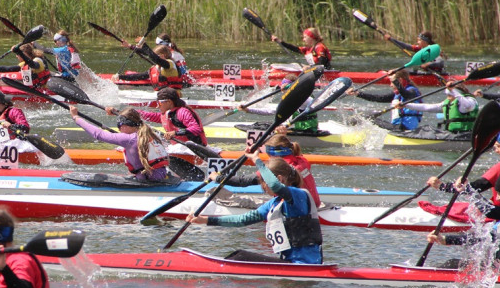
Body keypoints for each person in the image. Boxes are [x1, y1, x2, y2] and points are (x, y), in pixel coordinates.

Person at [187, 158, 323, 264]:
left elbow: (275, 185)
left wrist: (257, 160)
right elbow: (242, 220)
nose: (261, 186)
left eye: (263, 181)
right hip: (289, 262)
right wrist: (206, 220)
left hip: (306, 263)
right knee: (238, 256)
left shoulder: (299, 195)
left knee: (239, 257)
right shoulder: (273, 204)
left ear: (280, 179)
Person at [428, 126, 500, 205]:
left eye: (498, 146)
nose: (496, 150)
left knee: (459, 209)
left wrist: (441, 186)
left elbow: (474, 187)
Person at [69, 105, 168, 181]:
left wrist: (76, 117)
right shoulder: (150, 133)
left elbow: (98, 134)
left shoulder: (128, 139)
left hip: (148, 180)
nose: (119, 129)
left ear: (125, 125)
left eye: (119, 125)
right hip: (161, 175)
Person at [129, 87, 207, 146]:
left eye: (159, 103)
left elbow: (196, 129)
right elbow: (151, 116)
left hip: (195, 149)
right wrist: (130, 113)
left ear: (169, 102)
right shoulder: (168, 114)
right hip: (179, 148)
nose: (157, 106)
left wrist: (175, 133)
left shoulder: (182, 112)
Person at [350, 69, 423, 130]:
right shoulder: (397, 94)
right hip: (397, 127)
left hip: (403, 128)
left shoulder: (413, 91)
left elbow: (407, 95)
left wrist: (395, 80)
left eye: (392, 82)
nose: (390, 85)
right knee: (363, 117)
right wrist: (358, 94)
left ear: (400, 80)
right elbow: (378, 98)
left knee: (363, 118)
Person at [402, 84, 479, 135]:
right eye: (448, 94)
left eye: (450, 94)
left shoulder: (470, 101)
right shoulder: (448, 102)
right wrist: (405, 105)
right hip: (452, 135)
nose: (448, 96)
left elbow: (468, 105)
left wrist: (453, 90)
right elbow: (427, 108)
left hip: (465, 135)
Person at [114, 42, 187, 89]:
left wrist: (144, 46)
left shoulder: (170, 64)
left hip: (172, 96)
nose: (154, 57)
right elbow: (139, 76)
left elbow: (155, 59)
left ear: (162, 55)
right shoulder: (155, 68)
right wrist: (120, 77)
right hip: (162, 96)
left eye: (156, 55)